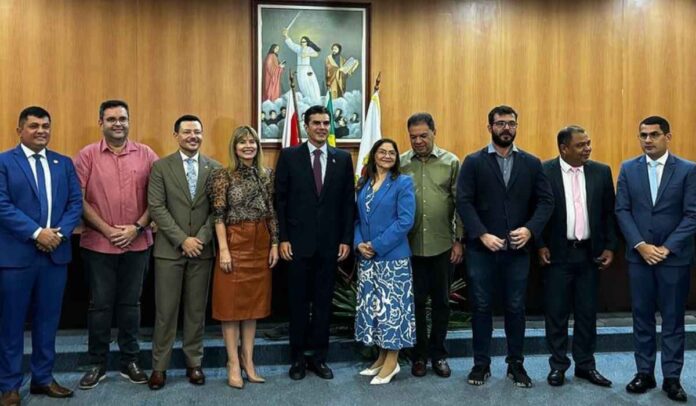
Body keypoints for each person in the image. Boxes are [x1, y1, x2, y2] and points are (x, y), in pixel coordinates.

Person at [457, 105, 554, 388]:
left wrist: (530, 229)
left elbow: (546, 202)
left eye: (511, 123)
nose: (506, 128)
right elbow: (464, 202)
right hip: (481, 250)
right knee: (482, 307)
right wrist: (481, 234)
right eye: (500, 123)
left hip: (517, 251)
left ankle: (516, 365)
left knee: (515, 308)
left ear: (516, 126)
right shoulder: (473, 161)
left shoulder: (532, 163)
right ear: (489, 128)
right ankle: (481, 364)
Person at [0, 107, 82, 405]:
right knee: (11, 323)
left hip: (54, 256)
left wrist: (57, 235)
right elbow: (2, 204)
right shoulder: (4, 162)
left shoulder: (63, 163)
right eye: (34, 126)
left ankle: (43, 379)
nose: (41, 131)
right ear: (19, 129)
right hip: (17, 257)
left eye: (46, 126)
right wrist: (37, 233)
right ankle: (9, 384)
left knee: (48, 321)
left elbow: (75, 203)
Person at [75, 100, 158, 390]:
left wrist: (136, 228)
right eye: (111, 119)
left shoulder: (146, 154)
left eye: (122, 118)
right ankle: (97, 364)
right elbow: (79, 199)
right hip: (98, 244)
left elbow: (157, 199)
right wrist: (109, 230)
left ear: (129, 121)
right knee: (100, 306)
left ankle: (129, 361)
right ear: (101, 122)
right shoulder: (87, 156)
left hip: (137, 244)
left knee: (131, 305)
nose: (118, 124)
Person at [615, 116, 696, 403]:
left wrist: (666, 248)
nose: (647, 140)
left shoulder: (688, 170)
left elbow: (692, 214)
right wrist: (641, 245)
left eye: (654, 135)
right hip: (640, 258)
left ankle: (672, 378)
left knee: (673, 320)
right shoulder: (628, 169)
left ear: (667, 137)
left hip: (673, 260)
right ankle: (644, 373)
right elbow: (622, 210)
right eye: (643, 135)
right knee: (642, 318)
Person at [275, 105, 355, 381]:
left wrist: (346, 239)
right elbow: (280, 201)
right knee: (297, 303)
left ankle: (319, 358)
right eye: (316, 123)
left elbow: (348, 203)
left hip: (330, 246)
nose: (322, 127)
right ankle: (297, 359)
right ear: (306, 127)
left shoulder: (342, 159)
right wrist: (282, 237)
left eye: (325, 122)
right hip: (296, 244)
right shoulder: (289, 156)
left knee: (323, 304)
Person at [537, 125, 617, 388]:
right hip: (558, 256)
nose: (587, 149)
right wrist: (539, 244)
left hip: (589, 255)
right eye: (581, 145)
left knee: (586, 314)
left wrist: (609, 246)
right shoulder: (544, 171)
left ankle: (585, 365)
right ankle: (558, 365)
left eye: (588, 143)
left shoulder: (601, 171)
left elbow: (608, 213)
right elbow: (535, 211)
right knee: (556, 314)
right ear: (563, 148)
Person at [146, 115, 221, 390]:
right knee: (165, 313)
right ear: (175, 135)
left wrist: (199, 239)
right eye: (187, 131)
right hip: (169, 251)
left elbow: (217, 211)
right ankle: (159, 367)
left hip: (202, 251)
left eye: (197, 132)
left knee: (195, 311)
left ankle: (194, 363)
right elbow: (156, 207)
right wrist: (182, 240)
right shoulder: (160, 167)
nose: (193, 136)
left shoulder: (215, 168)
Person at [207, 126, 279, 389]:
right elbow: (218, 215)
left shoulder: (267, 175)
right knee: (230, 309)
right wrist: (224, 249)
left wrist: (274, 243)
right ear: (234, 147)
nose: (248, 146)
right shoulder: (222, 175)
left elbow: (272, 212)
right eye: (242, 142)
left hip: (261, 243)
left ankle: (248, 361)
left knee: (253, 308)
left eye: (252, 141)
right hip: (234, 242)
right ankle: (233, 363)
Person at [400, 112, 463, 378]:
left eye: (423, 136)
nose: (418, 141)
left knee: (441, 304)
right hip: (409, 247)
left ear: (434, 132)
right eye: (413, 137)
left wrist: (458, 240)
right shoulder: (401, 163)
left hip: (442, 246)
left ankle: (439, 355)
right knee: (414, 304)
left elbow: (460, 203)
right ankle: (419, 357)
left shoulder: (451, 162)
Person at [354, 139, 416, 385]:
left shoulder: (402, 182)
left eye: (392, 152)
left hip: (393, 259)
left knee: (393, 311)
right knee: (377, 312)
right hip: (368, 260)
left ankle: (393, 362)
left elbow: (405, 221)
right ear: (374, 155)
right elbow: (357, 220)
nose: (387, 156)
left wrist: (376, 245)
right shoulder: (365, 184)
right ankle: (381, 357)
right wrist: (359, 244)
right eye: (383, 151)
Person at [282, 30, 321, 103]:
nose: (303, 43)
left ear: (307, 42)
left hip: (307, 68)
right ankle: (306, 97)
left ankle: (313, 98)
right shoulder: (298, 48)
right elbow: (291, 44)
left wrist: (307, 54)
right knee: (302, 84)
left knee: (309, 83)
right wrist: (286, 35)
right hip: (300, 68)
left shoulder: (309, 49)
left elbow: (316, 54)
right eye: (302, 41)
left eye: (304, 42)